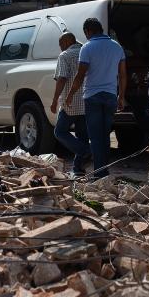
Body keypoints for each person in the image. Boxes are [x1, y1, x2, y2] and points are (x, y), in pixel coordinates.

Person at [65, 18, 126, 179]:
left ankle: (99, 173)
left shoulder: (87, 47)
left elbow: (80, 75)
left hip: (92, 96)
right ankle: (103, 171)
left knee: (96, 137)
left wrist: (70, 95)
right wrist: (121, 96)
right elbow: (123, 74)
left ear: (88, 31)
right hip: (111, 95)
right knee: (105, 135)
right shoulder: (117, 46)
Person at [50, 32, 89, 175]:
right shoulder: (86, 51)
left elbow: (62, 79)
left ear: (66, 42)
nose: (60, 48)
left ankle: (86, 151)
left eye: (61, 44)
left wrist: (54, 100)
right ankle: (78, 169)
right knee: (82, 136)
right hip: (87, 101)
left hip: (70, 102)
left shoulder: (65, 55)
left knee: (59, 131)